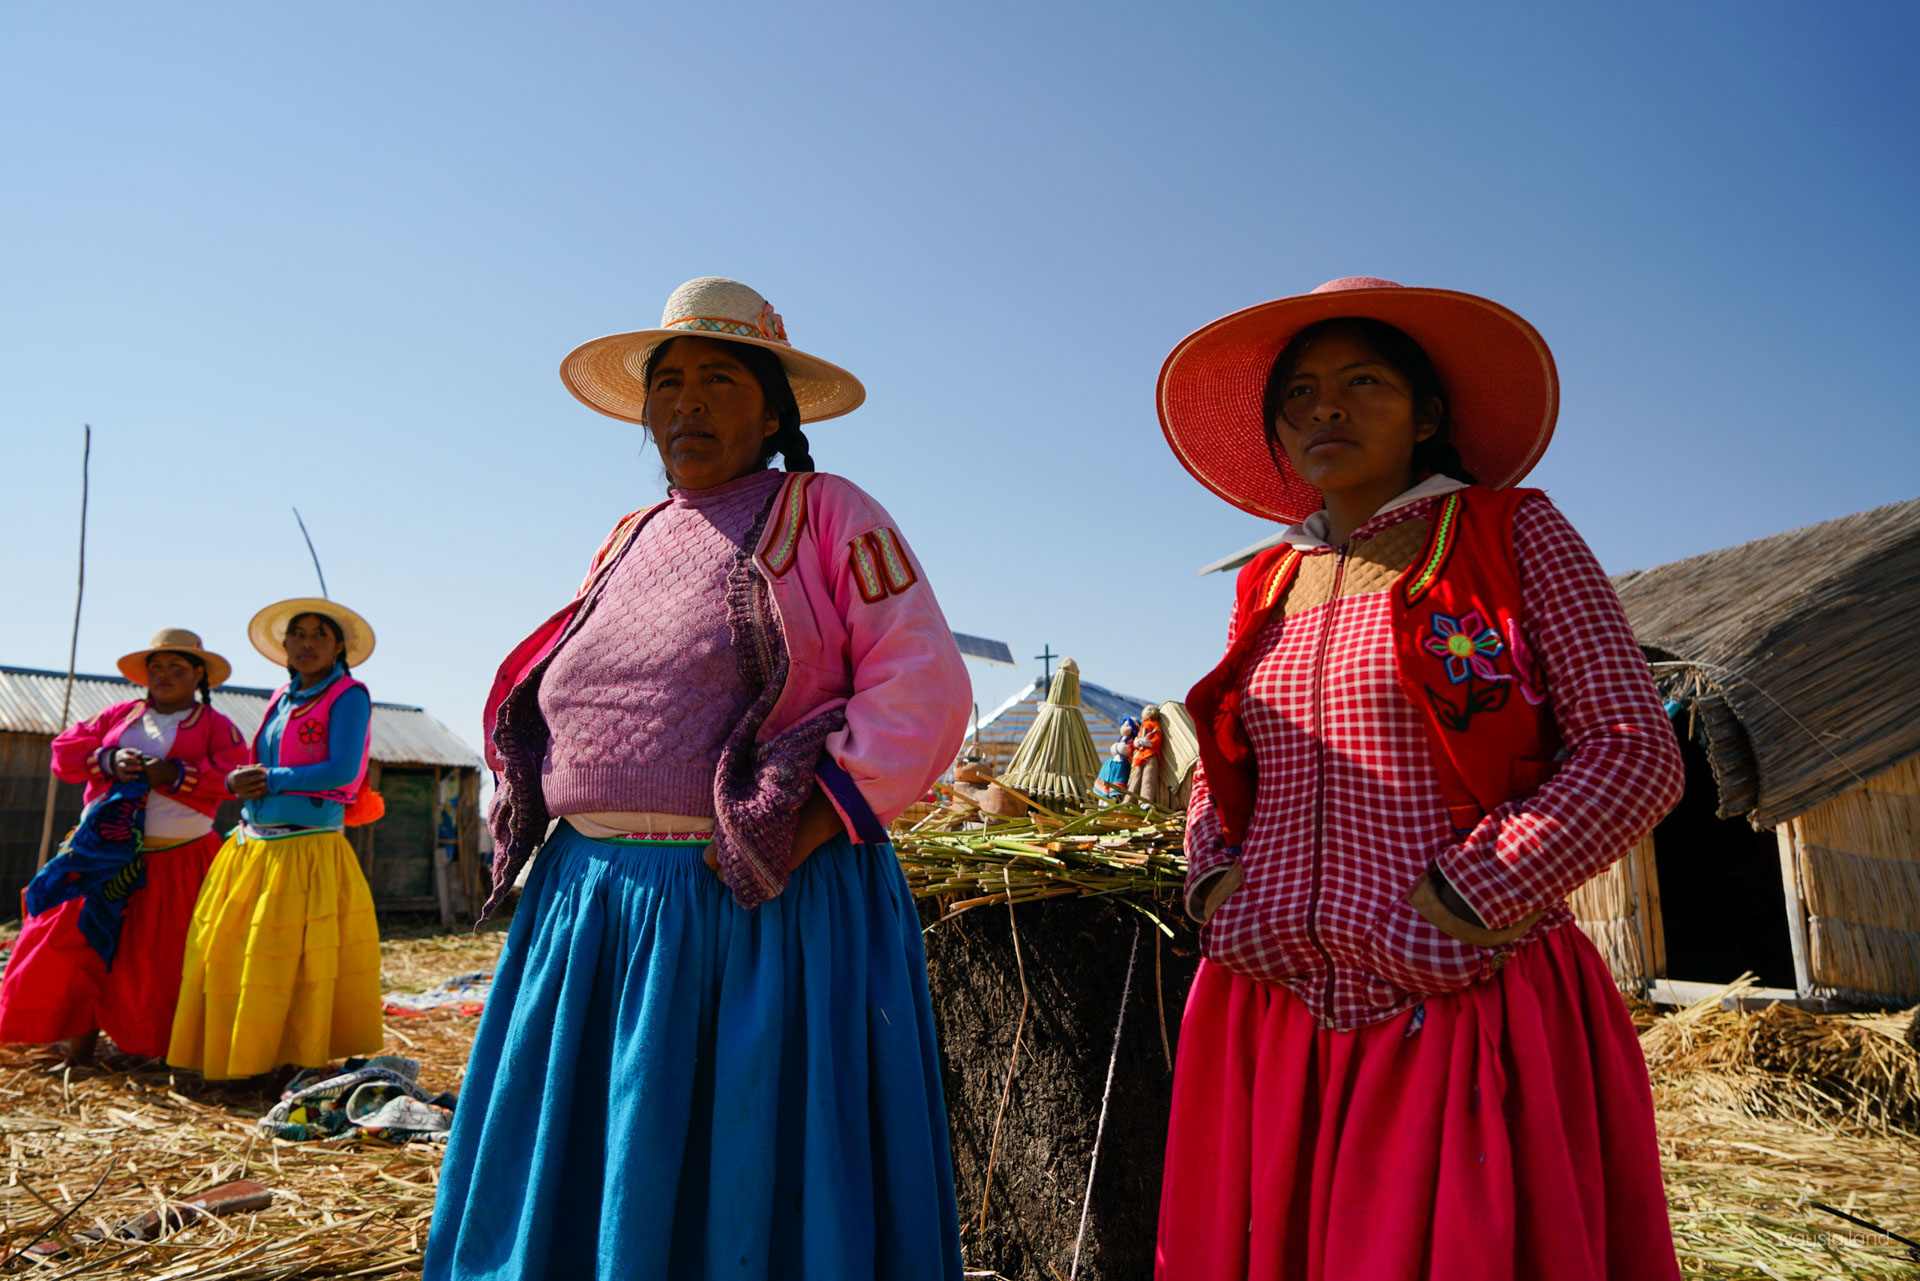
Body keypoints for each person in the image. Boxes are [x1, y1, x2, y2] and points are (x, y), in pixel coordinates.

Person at [426, 277, 971, 1280]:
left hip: (759, 900)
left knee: (747, 1166)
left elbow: (923, 684)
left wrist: (799, 829)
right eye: (668, 382)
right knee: (601, 1158)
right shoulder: (627, 534)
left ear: (775, 410)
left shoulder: (826, 512)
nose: (688, 402)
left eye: (721, 378)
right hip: (592, 904)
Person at [1152, 277, 1686, 1280]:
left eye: (1366, 383)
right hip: (1272, 1012)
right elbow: (1222, 761)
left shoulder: (1509, 536)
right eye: (1300, 393)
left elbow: (1632, 750)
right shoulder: (1269, 579)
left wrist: (1463, 899)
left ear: (1428, 415)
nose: (1328, 409)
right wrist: (1216, 881)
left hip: (1453, 1000)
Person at [0, 629, 247, 1066]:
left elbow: (232, 776)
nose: (164, 675)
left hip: (176, 858)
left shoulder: (216, 727)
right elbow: (66, 752)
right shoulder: (119, 714)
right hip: (97, 856)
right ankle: (78, 1052)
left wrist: (173, 774)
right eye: (156, 667)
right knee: (77, 946)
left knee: (157, 958)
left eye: (176, 668)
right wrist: (107, 760)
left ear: (198, 676)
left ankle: (165, 1051)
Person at [168, 600, 384, 1081]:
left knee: (289, 963)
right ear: (284, 646)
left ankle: (290, 1062)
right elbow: (257, 769)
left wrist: (271, 778)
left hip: (304, 848)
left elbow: (345, 771)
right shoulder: (280, 697)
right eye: (298, 634)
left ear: (338, 648)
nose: (307, 643)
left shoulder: (349, 695)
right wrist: (236, 783)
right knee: (238, 955)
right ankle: (242, 1058)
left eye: (319, 636)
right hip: (253, 845)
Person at [1128, 704, 1170, 808]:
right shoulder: (1143, 725)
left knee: (1148, 778)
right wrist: (1137, 742)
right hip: (1140, 757)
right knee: (1135, 778)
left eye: (1152, 709)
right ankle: (1129, 800)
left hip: (1151, 755)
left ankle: (1145, 801)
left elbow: (1157, 738)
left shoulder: (1155, 724)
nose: (1149, 711)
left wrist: (1148, 742)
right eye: (1147, 709)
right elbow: (1138, 738)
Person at [1095, 716, 1139, 799]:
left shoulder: (1133, 740)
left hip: (1122, 765)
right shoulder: (1122, 739)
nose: (1124, 727)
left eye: (1127, 725)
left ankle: (1115, 793)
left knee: (1118, 778)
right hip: (1113, 764)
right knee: (1107, 774)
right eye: (1124, 724)